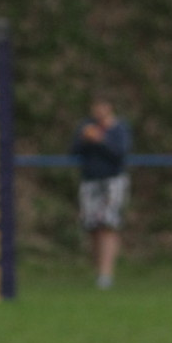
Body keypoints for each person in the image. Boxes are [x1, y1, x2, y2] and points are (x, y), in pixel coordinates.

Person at [71, 95, 131, 289]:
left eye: (101, 107)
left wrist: (100, 140)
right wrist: (85, 139)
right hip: (90, 182)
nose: (98, 111)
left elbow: (120, 153)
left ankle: (107, 273)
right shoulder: (86, 126)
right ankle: (98, 271)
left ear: (109, 107)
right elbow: (74, 151)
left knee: (108, 225)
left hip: (112, 182)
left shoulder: (118, 128)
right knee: (93, 227)